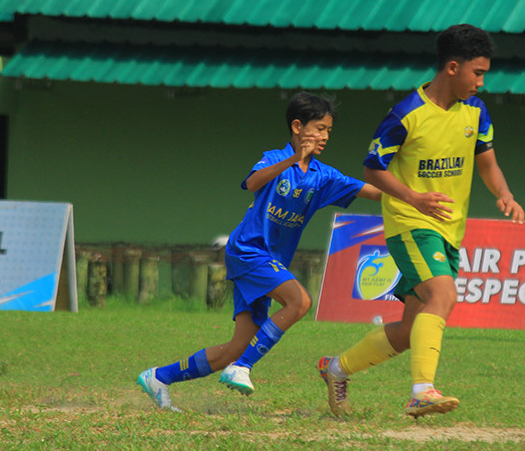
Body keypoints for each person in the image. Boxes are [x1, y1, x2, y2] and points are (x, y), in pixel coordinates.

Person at [317, 24, 525, 418]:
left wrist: (504, 194)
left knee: (413, 328)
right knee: (443, 296)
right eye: (477, 72)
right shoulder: (406, 115)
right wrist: (413, 197)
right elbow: (372, 169)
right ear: (452, 67)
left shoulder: (476, 112)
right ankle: (421, 391)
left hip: (449, 228)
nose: (482, 82)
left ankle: (336, 368)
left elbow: (488, 162)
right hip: (410, 222)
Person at [137, 92, 381, 411]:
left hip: (267, 261)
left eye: (328, 131)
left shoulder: (324, 176)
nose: (324, 136)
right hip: (248, 251)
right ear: (297, 126)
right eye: (319, 128)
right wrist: (294, 159)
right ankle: (242, 368)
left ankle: (159, 377)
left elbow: (374, 192)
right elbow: (252, 183)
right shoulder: (274, 159)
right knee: (300, 301)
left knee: (235, 347)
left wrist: (414, 195)